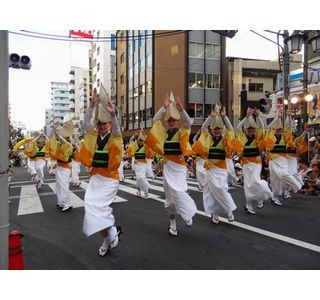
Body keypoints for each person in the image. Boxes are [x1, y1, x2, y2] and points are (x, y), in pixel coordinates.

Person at [75, 84, 123, 256]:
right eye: (99, 123)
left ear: (109, 124)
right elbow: (86, 123)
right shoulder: (93, 135)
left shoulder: (114, 136)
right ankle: (109, 235)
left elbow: (117, 130)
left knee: (100, 208)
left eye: (105, 124)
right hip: (96, 178)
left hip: (110, 179)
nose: (101, 126)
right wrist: (91, 106)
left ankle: (109, 234)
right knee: (90, 206)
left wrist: (113, 115)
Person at [145, 91, 197, 236]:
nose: (172, 122)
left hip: (179, 167)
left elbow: (188, 123)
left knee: (180, 192)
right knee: (169, 199)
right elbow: (155, 120)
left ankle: (187, 213)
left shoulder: (181, 132)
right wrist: (164, 107)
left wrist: (181, 109)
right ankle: (173, 223)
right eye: (170, 120)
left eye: (174, 119)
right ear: (167, 122)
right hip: (168, 167)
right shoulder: (163, 134)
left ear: (177, 120)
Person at [192, 106, 236, 224]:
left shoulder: (225, 138)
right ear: (212, 129)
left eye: (219, 128)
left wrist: (225, 117)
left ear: (221, 129)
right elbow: (203, 128)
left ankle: (229, 210)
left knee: (221, 189)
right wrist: (210, 118)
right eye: (215, 128)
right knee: (211, 191)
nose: (217, 130)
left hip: (221, 168)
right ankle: (215, 213)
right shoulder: (208, 138)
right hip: (210, 168)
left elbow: (231, 129)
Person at [234, 108, 273, 215]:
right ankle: (249, 205)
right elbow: (238, 127)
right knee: (248, 185)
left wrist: (258, 116)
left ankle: (260, 197)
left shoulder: (257, 138)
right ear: (246, 129)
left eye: (252, 129)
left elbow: (262, 127)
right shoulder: (242, 137)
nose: (250, 130)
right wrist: (246, 117)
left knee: (255, 181)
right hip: (246, 164)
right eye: (248, 129)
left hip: (256, 163)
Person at [264, 110, 303, 206]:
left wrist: (289, 117)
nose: (278, 130)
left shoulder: (284, 137)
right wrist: (277, 118)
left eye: (280, 129)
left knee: (283, 174)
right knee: (274, 180)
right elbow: (268, 127)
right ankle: (274, 197)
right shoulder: (270, 135)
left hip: (282, 159)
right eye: (277, 129)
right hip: (272, 160)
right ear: (274, 129)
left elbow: (289, 128)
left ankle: (296, 185)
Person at [45, 120, 74, 211]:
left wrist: (56, 132)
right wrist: (53, 130)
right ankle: (61, 202)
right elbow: (50, 140)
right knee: (58, 186)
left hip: (65, 168)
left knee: (64, 185)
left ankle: (67, 204)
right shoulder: (58, 144)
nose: (60, 139)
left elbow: (62, 140)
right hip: (59, 167)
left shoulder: (68, 145)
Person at [282, 112, 307, 198]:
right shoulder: (285, 139)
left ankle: (288, 189)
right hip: (286, 159)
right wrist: (288, 116)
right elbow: (287, 127)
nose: (291, 134)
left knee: (293, 174)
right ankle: (286, 190)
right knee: (290, 174)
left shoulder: (294, 140)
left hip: (292, 159)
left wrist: (305, 131)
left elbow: (301, 138)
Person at [127, 129, 154, 199]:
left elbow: (149, 142)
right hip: (136, 164)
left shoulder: (145, 146)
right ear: (138, 140)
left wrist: (145, 135)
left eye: (142, 141)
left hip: (143, 164)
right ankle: (139, 191)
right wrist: (134, 136)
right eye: (139, 140)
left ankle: (146, 191)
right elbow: (130, 140)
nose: (141, 142)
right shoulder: (134, 146)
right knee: (138, 179)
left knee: (141, 177)